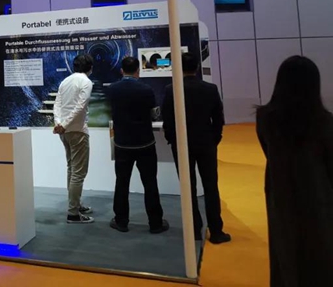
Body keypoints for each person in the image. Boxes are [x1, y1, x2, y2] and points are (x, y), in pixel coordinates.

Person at [256, 56, 333, 286]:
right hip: (319, 196)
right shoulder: (324, 122)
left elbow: (268, 151)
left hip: (280, 194)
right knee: (321, 253)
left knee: (284, 253)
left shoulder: (265, 118)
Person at [162, 52, 230, 244]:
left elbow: (168, 118)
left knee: (188, 187)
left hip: (182, 144)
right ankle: (216, 230)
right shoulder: (210, 89)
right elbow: (218, 118)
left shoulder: (171, 89)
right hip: (206, 142)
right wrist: (215, 139)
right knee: (211, 186)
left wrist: (173, 139)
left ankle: (193, 229)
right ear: (197, 67)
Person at [106, 56, 168, 234]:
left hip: (122, 143)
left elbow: (111, 111)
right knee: (150, 183)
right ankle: (155, 223)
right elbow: (154, 113)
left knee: (122, 183)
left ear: (121, 71)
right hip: (145, 143)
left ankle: (121, 221)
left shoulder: (113, 89)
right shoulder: (146, 89)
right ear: (138, 71)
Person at [52, 53, 95, 224]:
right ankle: (73, 213)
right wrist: (65, 124)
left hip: (64, 132)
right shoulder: (86, 82)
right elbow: (80, 106)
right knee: (78, 172)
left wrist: (59, 123)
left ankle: (75, 204)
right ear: (90, 67)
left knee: (71, 168)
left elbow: (57, 104)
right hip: (77, 131)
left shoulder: (65, 81)